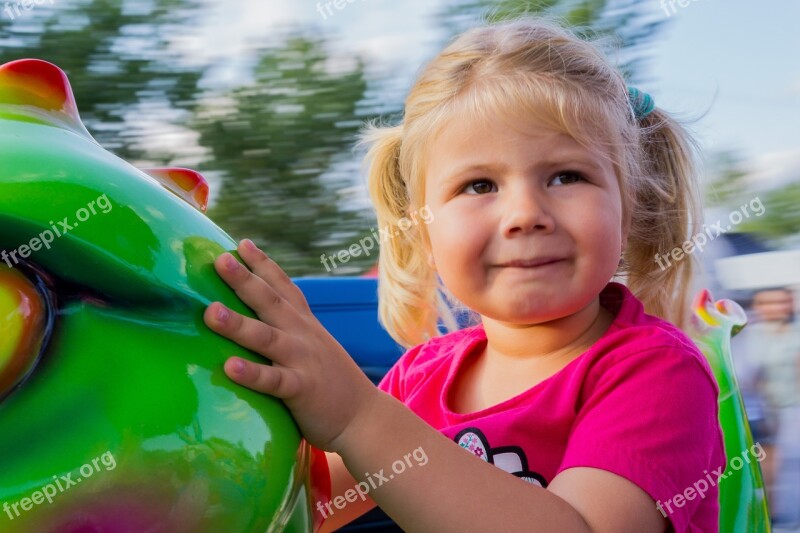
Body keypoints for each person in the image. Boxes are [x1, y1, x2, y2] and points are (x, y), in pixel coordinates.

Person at [202, 18, 726, 532]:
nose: (525, 213)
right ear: (423, 233)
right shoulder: (418, 377)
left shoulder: (655, 372)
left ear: (627, 208)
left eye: (568, 176)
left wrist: (357, 417)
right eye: (478, 186)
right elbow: (291, 509)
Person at [745, 287, 800, 529]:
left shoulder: (794, 333)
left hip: (791, 408)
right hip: (762, 409)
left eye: (780, 302)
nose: (774, 308)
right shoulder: (751, 336)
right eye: (767, 303)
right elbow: (746, 376)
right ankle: (771, 511)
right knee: (767, 460)